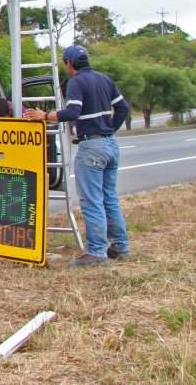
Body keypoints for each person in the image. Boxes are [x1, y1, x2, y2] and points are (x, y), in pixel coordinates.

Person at [23, 45, 131, 267]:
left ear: (68, 63)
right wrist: (108, 129)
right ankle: (120, 247)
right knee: (109, 197)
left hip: (92, 147)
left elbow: (73, 112)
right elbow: (123, 109)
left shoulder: (76, 82)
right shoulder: (104, 79)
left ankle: (97, 253)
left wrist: (45, 115)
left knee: (92, 201)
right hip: (110, 144)